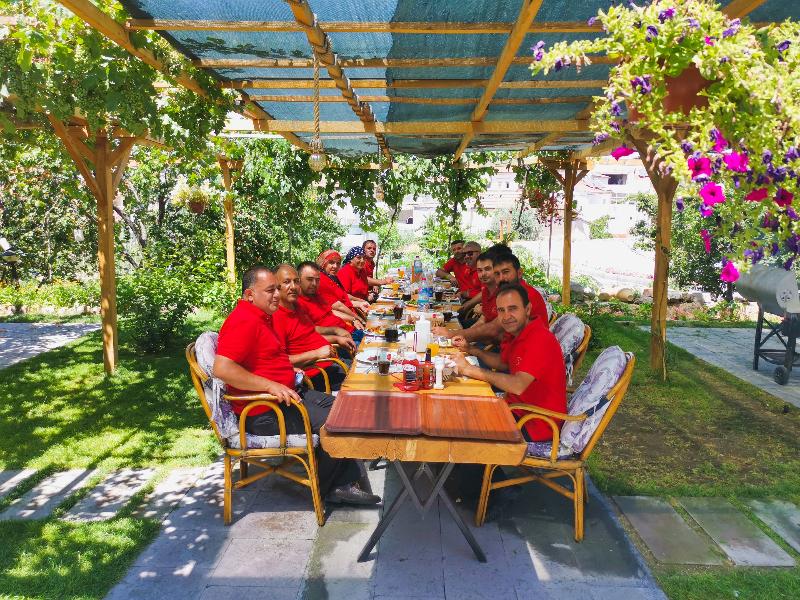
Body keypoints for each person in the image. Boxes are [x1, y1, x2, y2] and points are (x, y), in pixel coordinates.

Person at [213, 266, 380, 505]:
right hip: (264, 411)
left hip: (290, 395)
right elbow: (223, 368)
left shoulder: (262, 317)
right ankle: (330, 487)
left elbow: (262, 359)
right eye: (270, 290)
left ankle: (342, 475)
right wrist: (270, 385)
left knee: (346, 407)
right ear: (250, 295)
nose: (277, 295)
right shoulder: (244, 321)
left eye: (276, 289)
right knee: (337, 422)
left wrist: (287, 371)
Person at [451, 283, 566, 442]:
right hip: (515, 408)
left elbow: (517, 385)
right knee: (459, 407)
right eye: (501, 310)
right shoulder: (519, 332)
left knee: (461, 425)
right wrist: (471, 349)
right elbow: (504, 363)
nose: (506, 316)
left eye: (512, 309)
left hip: (535, 423)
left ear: (527, 309)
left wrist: (469, 370)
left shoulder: (540, 339)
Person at [433, 252, 548, 344]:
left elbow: (493, 330)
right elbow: (484, 321)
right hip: (505, 348)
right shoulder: (501, 291)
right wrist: (462, 336)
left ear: (519, 273)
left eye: (506, 272)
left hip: (524, 354)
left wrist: (452, 334)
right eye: (498, 274)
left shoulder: (525, 295)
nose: (501, 278)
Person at [272, 264, 353, 391]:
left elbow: (311, 333)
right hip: (316, 373)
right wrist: (317, 354)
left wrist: (336, 338)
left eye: (296, 281)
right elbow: (279, 361)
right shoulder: (276, 317)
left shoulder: (297, 306)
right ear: (276, 287)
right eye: (287, 282)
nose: (293, 286)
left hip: (331, 361)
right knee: (364, 380)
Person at [296, 261, 363, 346]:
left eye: (317, 280)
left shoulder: (316, 295)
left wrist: (353, 320)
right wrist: (336, 332)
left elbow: (331, 312)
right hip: (340, 342)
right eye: (309, 279)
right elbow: (308, 331)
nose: (314, 284)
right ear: (298, 280)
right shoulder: (297, 303)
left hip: (351, 331)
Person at [316, 249, 369, 322]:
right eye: (331, 262)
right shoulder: (321, 279)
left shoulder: (332, 278)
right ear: (323, 263)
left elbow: (344, 299)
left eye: (338, 263)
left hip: (349, 315)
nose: (335, 266)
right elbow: (337, 306)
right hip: (339, 321)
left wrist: (359, 304)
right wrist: (356, 318)